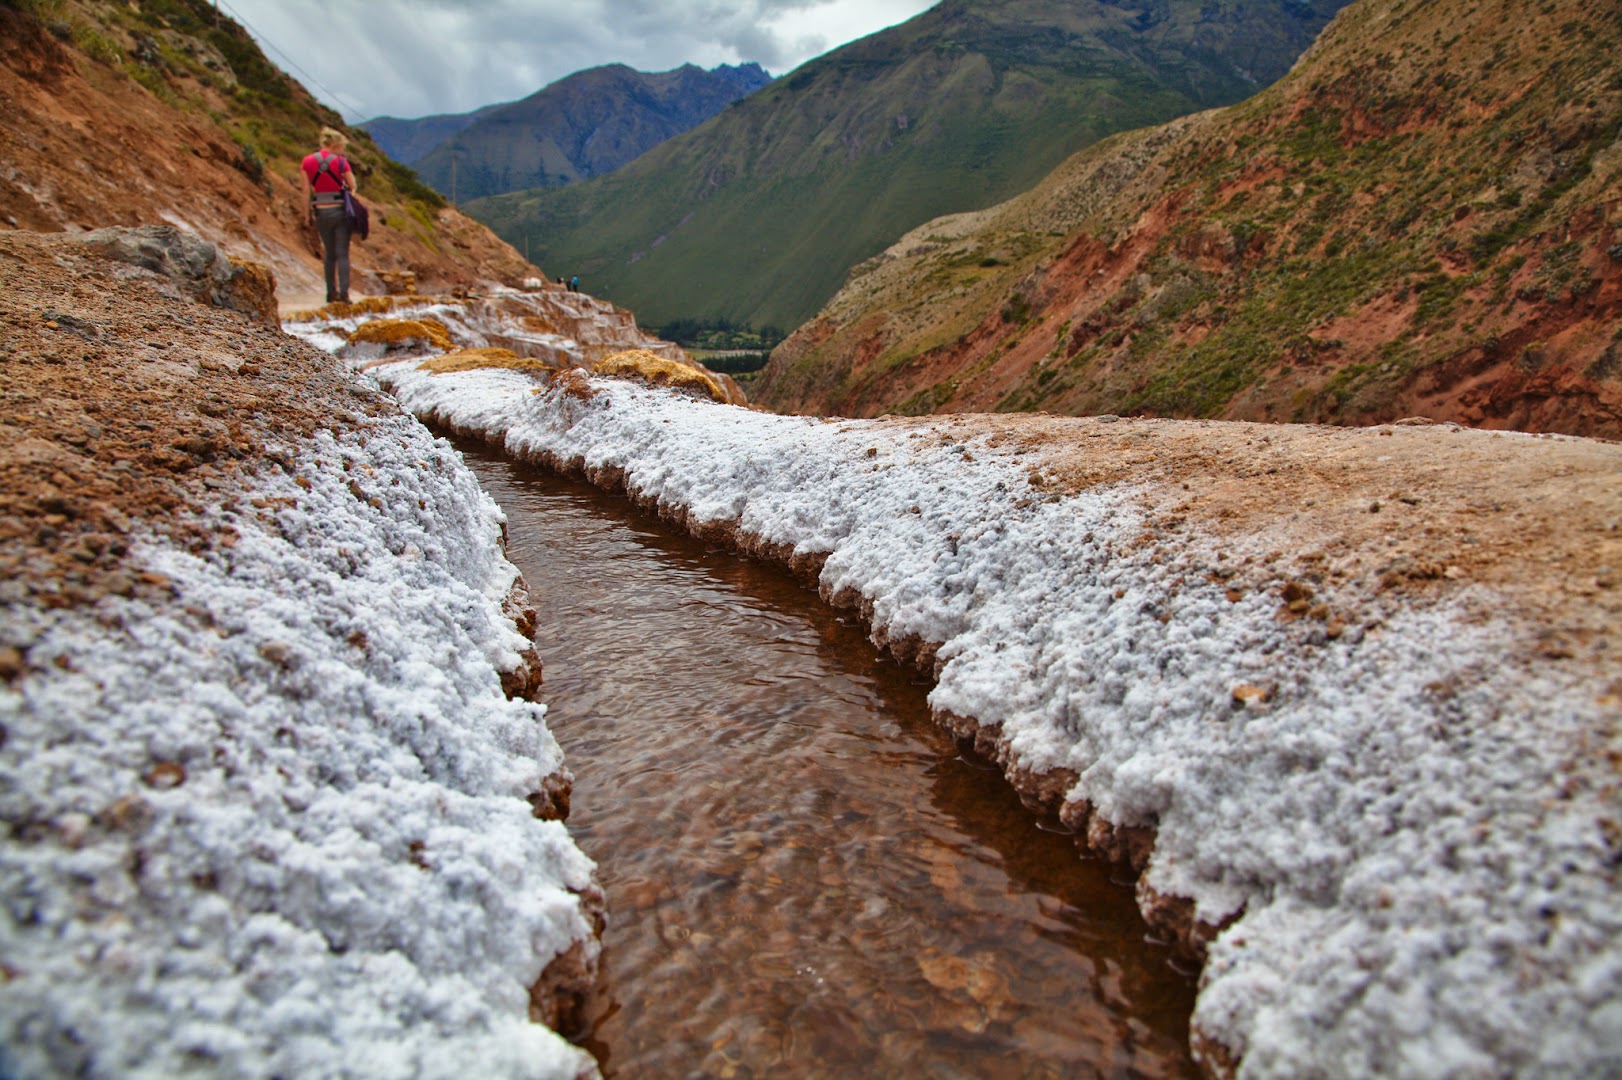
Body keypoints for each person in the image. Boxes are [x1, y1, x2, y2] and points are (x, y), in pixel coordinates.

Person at [300, 127, 358, 304]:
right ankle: (344, 294)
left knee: (329, 253)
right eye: (341, 147)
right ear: (335, 144)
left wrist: (306, 215)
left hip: (321, 210)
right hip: (340, 210)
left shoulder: (307, 162)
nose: (342, 151)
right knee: (343, 254)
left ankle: (330, 293)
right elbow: (352, 185)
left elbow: (305, 192)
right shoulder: (341, 162)